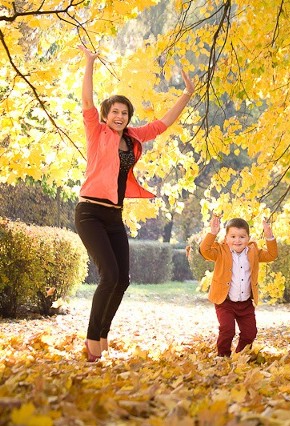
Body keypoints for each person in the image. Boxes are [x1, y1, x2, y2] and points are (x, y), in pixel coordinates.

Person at [76, 45, 195, 361]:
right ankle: (91, 340)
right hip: (89, 211)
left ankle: (102, 334)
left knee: (123, 280)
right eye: (114, 111)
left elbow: (162, 124)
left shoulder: (133, 137)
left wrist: (187, 94)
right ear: (106, 115)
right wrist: (89, 63)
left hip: (114, 215)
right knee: (110, 276)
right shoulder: (96, 130)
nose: (119, 116)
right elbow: (86, 100)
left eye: (124, 112)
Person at [199, 214, 278, 357]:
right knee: (227, 330)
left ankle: (240, 356)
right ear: (226, 238)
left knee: (250, 333)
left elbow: (272, 255)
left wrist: (269, 236)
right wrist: (212, 233)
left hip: (246, 303)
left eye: (242, 237)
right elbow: (204, 250)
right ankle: (223, 356)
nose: (237, 240)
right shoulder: (221, 251)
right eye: (233, 236)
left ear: (248, 238)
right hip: (225, 302)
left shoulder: (253, 251)